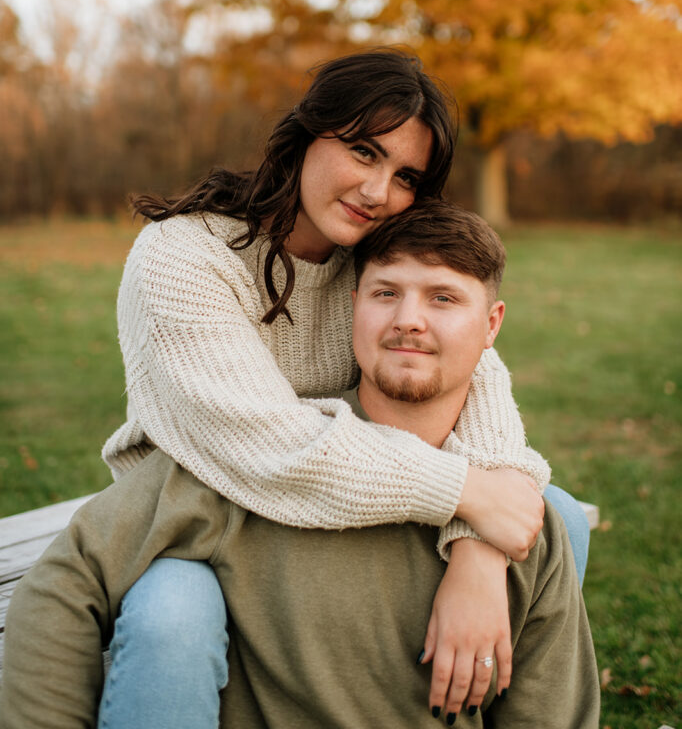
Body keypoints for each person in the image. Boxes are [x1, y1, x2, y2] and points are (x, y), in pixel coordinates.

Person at [85, 49, 587, 726]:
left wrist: (480, 548)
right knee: (172, 616)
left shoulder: (372, 256)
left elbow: (477, 377)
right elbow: (265, 444)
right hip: (203, 516)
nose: (379, 192)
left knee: (547, 512)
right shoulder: (184, 257)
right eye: (363, 152)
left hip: (352, 502)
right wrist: (469, 495)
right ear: (306, 133)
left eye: (406, 175)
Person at [0, 202, 600, 728]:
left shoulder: (513, 522)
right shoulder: (251, 469)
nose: (409, 319)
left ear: (491, 325)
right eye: (386, 292)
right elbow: (65, 580)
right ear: (353, 307)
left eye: (443, 299)